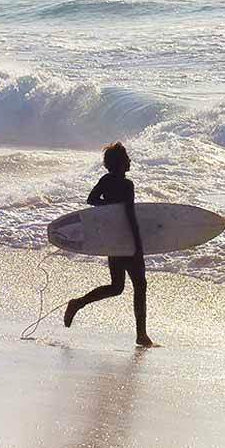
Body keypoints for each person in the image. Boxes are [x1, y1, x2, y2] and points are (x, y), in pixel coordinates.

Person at [63, 142, 157, 347]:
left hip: (112, 241)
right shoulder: (127, 185)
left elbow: (91, 199)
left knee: (117, 287)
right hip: (126, 241)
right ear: (121, 163)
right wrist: (137, 244)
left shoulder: (105, 180)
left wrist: (109, 206)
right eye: (127, 159)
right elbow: (129, 214)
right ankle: (141, 335)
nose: (130, 161)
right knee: (140, 286)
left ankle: (78, 303)